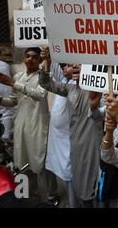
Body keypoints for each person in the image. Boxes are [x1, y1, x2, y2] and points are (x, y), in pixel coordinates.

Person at [0, 47, 57, 201]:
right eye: (27, 56)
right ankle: (27, 197)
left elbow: (39, 94)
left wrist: (12, 82)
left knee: (40, 162)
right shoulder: (19, 76)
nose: (30, 59)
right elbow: (13, 101)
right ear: (24, 58)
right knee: (22, 162)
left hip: (38, 125)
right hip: (21, 126)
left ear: (39, 60)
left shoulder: (44, 77)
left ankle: (50, 197)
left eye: (34, 57)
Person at [39, 47, 103, 208]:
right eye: (72, 65)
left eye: (79, 65)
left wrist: (94, 106)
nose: (74, 67)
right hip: (75, 148)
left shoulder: (100, 91)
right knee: (79, 187)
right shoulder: (70, 89)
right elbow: (45, 83)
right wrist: (46, 61)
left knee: (91, 190)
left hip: (92, 148)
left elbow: (102, 112)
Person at [45, 62, 74, 207]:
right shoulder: (63, 80)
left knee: (70, 172)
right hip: (56, 135)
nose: (64, 68)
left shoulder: (77, 84)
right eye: (64, 66)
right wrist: (46, 61)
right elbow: (45, 83)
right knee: (59, 169)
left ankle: (74, 203)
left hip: (68, 136)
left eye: (69, 65)